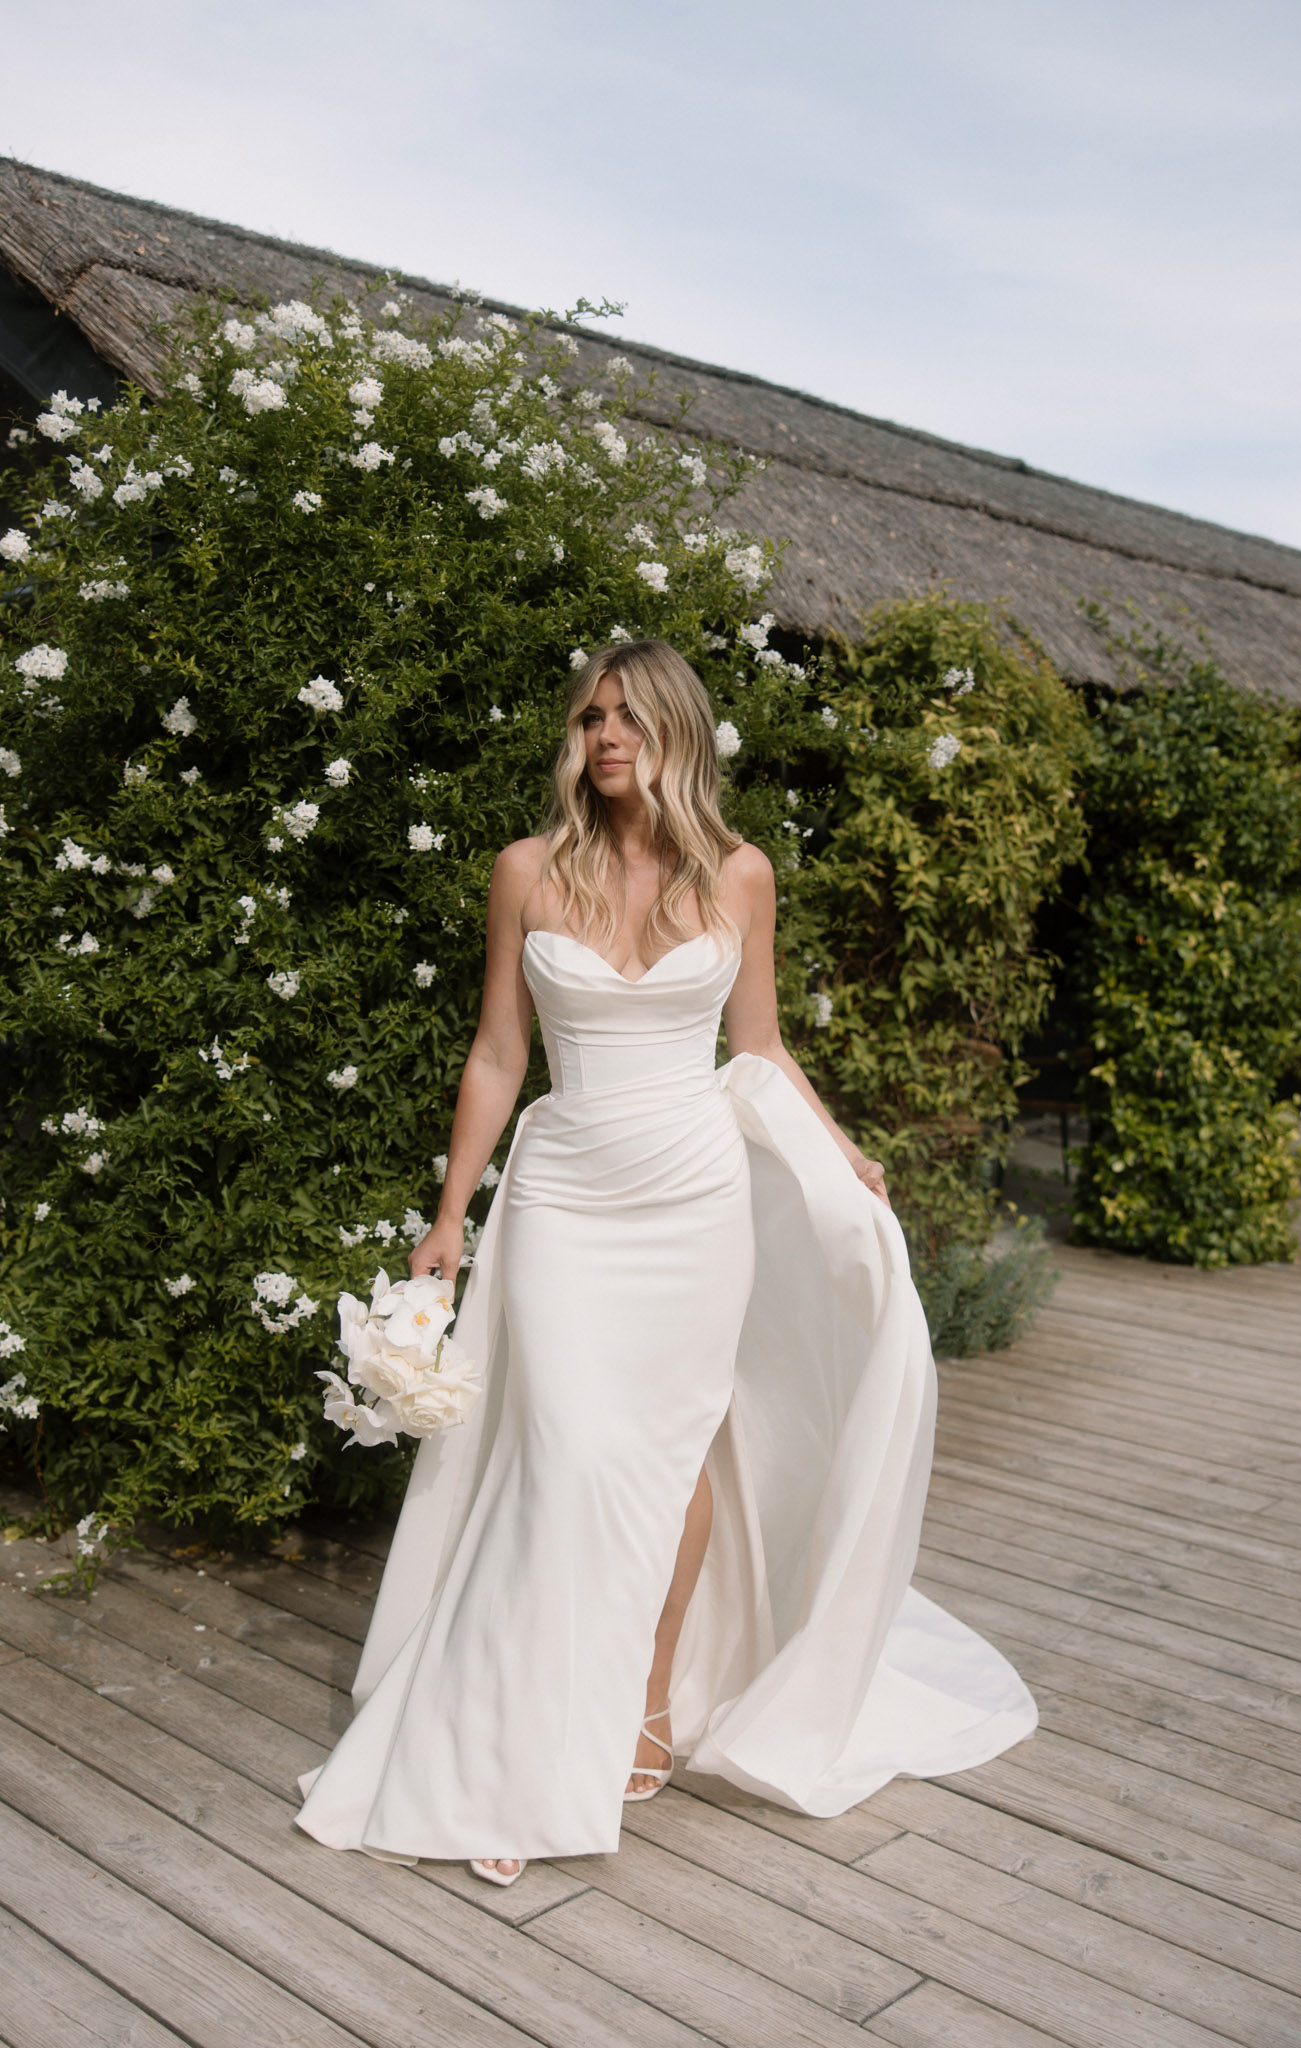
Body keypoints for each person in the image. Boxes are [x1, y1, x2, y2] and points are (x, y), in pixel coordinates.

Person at [295, 638, 1036, 1886]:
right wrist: (448, 1213)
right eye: (589, 718)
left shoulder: (739, 875)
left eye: (628, 717)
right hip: (569, 1191)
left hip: (696, 1195)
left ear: (678, 730)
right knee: (571, 1445)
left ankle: (643, 1698)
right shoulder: (525, 871)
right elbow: (495, 1052)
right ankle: (512, 1728)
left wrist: (843, 1155)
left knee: (675, 1447)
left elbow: (760, 1050)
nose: (606, 737)